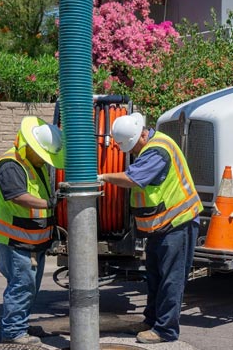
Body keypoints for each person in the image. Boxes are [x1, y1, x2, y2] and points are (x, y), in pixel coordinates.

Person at [97, 112, 203, 344]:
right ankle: (152, 320)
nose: (131, 151)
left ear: (142, 135)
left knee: (171, 279)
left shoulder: (158, 150)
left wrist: (103, 177)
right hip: (161, 227)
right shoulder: (149, 147)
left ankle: (165, 330)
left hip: (178, 223)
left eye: (132, 146)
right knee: (154, 277)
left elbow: (135, 179)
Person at [0, 116, 64, 345]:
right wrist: (50, 204)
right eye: (42, 156)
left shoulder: (31, 164)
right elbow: (17, 196)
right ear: (31, 147)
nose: (44, 161)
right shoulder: (11, 164)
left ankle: (19, 324)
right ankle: (13, 332)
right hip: (16, 240)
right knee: (22, 285)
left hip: (32, 240)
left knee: (29, 287)